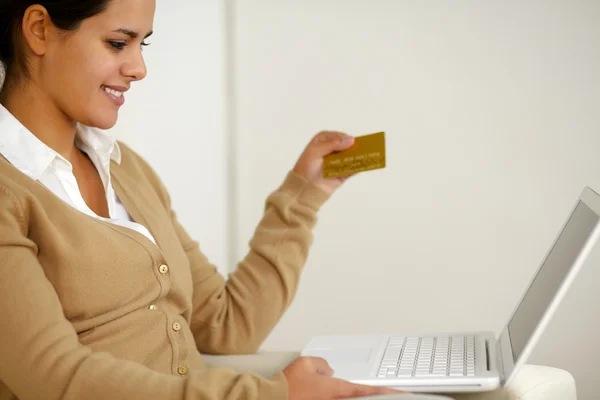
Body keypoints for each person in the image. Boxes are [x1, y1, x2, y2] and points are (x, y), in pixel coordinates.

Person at [0, 1, 404, 399]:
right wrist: (270, 394)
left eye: (144, 45)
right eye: (118, 43)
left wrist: (303, 193)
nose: (139, 68)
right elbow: (53, 380)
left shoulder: (125, 170)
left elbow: (226, 326)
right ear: (38, 29)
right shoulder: (8, 193)